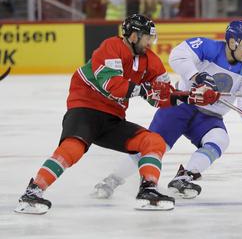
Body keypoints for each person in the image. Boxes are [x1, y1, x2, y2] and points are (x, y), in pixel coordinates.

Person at [14, 14, 215, 214]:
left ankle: (148, 190)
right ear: (134, 36)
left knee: (153, 141)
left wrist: (188, 97)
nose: (150, 43)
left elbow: (159, 97)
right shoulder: (111, 46)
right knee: (73, 147)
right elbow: (113, 86)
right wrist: (146, 88)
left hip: (113, 118)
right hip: (85, 109)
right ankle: (33, 191)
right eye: (147, 37)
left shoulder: (151, 61)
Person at [92, 20, 242, 200]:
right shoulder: (207, 47)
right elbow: (177, 56)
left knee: (220, 139)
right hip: (181, 106)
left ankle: (184, 177)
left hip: (209, 117)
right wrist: (197, 76)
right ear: (233, 42)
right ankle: (112, 179)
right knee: (155, 146)